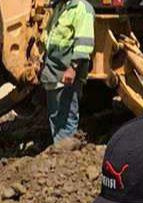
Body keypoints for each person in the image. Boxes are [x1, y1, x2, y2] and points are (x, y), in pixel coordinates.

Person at [40, 0, 94, 148]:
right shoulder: (60, 8)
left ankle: (65, 152)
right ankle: (58, 146)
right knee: (55, 113)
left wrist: (73, 68)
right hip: (53, 69)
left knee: (67, 111)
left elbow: (84, 44)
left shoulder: (82, 9)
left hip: (67, 70)